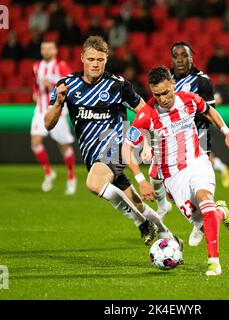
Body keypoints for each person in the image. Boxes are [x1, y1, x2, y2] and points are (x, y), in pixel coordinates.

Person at [44, 36, 180, 246]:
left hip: (117, 145)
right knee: (135, 201)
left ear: (106, 59)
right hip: (93, 156)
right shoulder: (66, 85)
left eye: (100, 59)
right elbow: (48, 124)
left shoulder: (118, 85)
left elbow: (145, 111)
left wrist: (145, 142)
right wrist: (57, 104)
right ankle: (170, 237)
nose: (95, 64)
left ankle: (142, 224)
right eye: (91, 59)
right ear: (82, 58)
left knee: (94, 183)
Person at [122, 66, 229, 276]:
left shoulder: (189, 100)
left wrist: (227, 131)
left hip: (196, 162)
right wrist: (141, 180)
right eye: (157, 94)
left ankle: (214, 262)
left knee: (205, 201)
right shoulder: (146, 115)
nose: (163, 99)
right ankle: (221, 210)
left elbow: (209, 111)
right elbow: (126, 149)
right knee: (206, 225)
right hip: (173, 177)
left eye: (166, 92)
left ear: (173, 85)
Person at [147, 42, 229, 245]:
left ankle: (200, 222)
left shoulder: (202, 82)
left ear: (191, 57)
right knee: (157, 175)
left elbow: (207, 112)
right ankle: (165, 206)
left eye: (184, 55)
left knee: (198, 184)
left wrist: (223, 133)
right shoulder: (166, 80)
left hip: (197, 134)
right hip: (169, 136)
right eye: (175, 55)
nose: (179, 59)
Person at [31, 41, 77, 195]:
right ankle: (49, 172)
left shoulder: (61, 66)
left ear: (56, 50)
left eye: (49, 48)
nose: (46, 50)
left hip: (58, 111)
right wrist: (36, 92)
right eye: (43, 48)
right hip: (40, 110)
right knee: (35, 142)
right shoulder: (36, 66)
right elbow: (36, 84)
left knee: (63, 146)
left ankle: (71, 177)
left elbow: (71, 85)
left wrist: (51, 84)